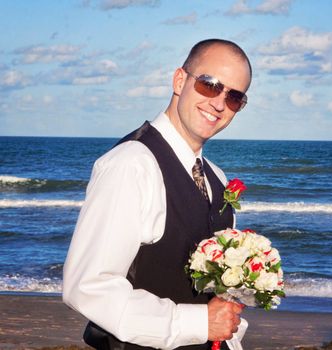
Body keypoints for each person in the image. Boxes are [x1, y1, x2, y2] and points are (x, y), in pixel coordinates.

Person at [62, 38, 252, 350]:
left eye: (234, 97)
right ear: (180, 80)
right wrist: (197, 323)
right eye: (210, 84)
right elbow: (88, 287)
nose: (219, 103)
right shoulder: (131, 164)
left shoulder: (217, 178)